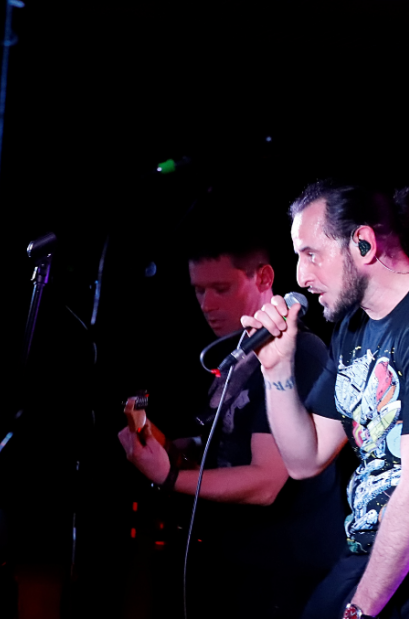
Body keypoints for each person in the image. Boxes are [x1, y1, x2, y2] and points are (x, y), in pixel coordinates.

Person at [240, 179, 409, 619]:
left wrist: (359, 612)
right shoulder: (353, 328)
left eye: (311, 254)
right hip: (365, 559)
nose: (301, 277)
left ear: (362, 244)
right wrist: (277, 369)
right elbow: (305, 459)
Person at [117, 230, 346, 619]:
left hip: (283, 578)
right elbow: (229, 441)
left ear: (264, 277)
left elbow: (265, 482)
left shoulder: (299, 352)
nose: (207, 304)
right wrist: (172, 446)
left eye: (221, 288)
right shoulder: (238, 355)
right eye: (199, 291)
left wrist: (169, 476)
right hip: (237, 568)